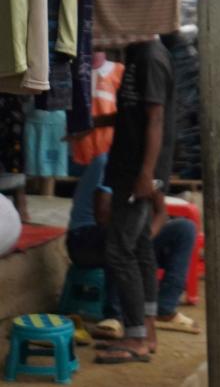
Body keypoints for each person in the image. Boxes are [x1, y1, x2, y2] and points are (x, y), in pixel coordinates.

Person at [94, 38, 176, 364]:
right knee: (140, 247)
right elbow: (136, 116)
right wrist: (93, 124)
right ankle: (148, 333)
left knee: (120, 250)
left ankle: (135, 336)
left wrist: (146, 174)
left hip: (138, 172)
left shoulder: (151, 56)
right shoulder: (137, 54)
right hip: (131, 168)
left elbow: (156, 119)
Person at [66, 154, 201, 341]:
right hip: (85, 239)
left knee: (185, 229)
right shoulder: (109, 162)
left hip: (130, 234)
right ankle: (114, 315)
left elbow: (160, 213)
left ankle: (164, 307)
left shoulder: (148, 167)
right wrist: (139, 238)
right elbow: (103, 217)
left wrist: (146, 239)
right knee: (121, 235)